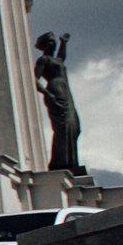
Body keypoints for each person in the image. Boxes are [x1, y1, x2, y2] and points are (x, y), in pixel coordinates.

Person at [35, 31, 84, 174]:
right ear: (44, 45)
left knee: (74, 127)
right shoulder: (43, 60)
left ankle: (71, 161)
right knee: (62, 128)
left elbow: (62, 57)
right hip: (56, 93)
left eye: (54, 42)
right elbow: (34, 79)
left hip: (66, 93)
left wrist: (64, 42)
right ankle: (60, 163)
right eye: (50, 42)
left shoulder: (57, 61)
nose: (53, 44)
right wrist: (47, 94)